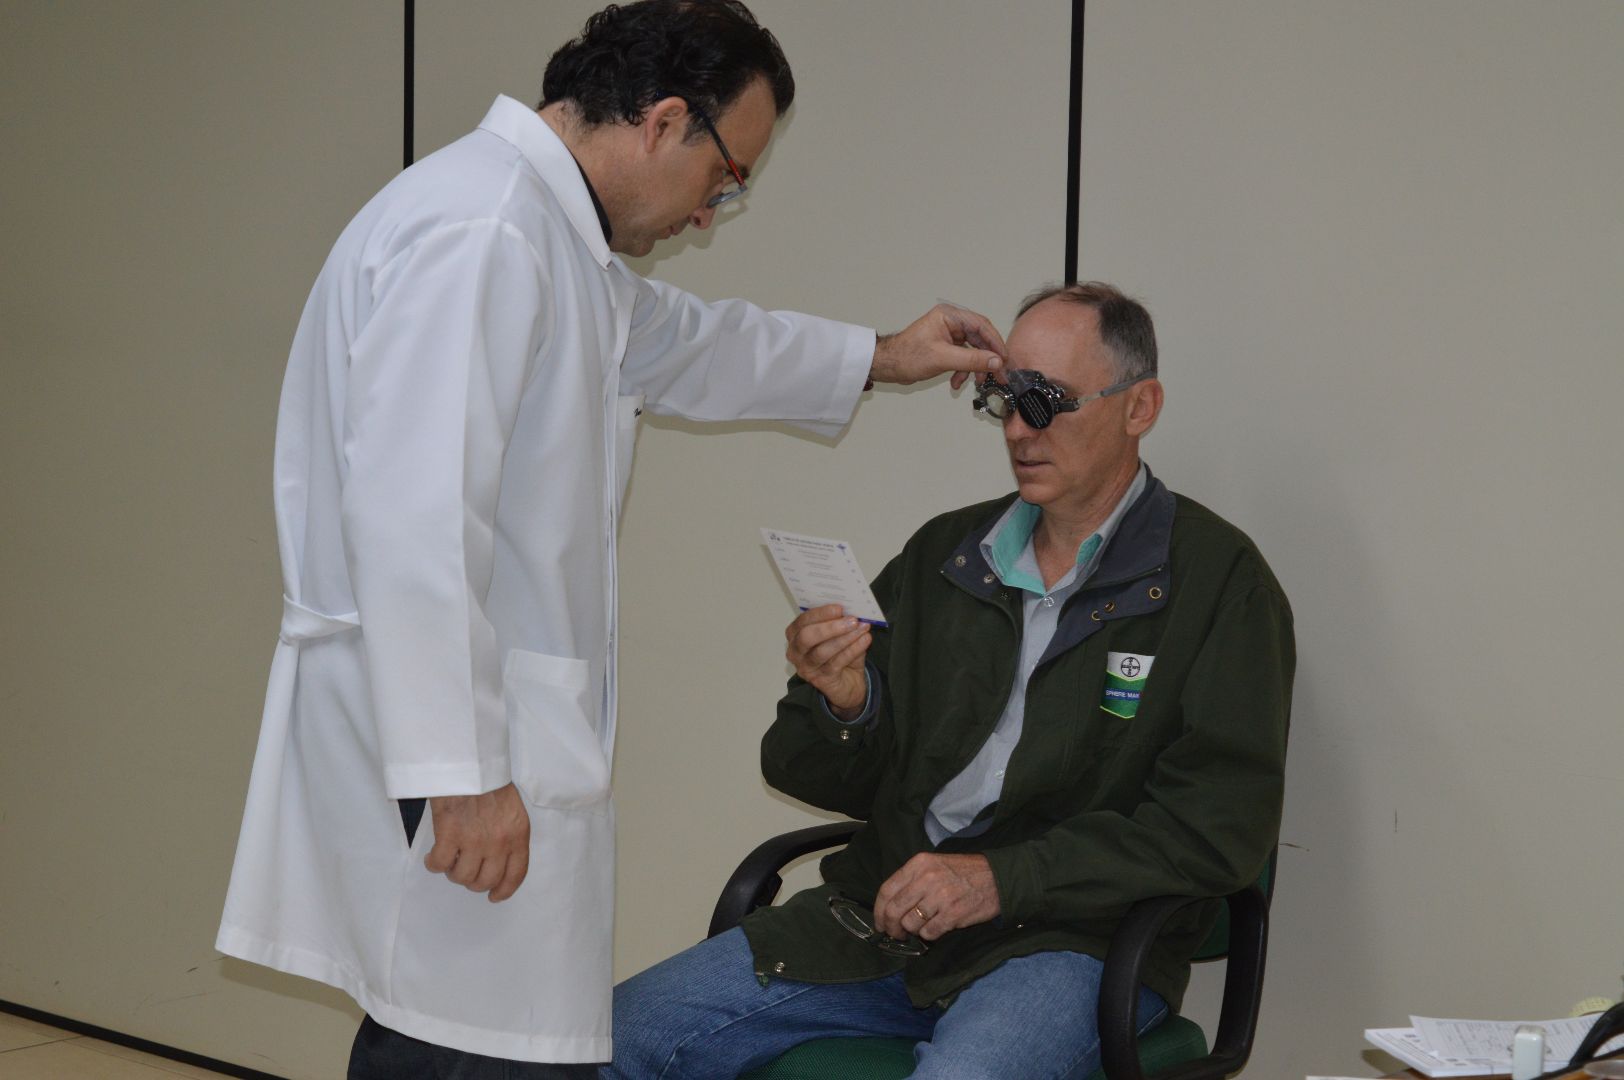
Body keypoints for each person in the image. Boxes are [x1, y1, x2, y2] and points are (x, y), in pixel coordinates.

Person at [213, 2, 1007, 1077]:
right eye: (725, 176)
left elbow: (693, 345)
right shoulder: (485, 231)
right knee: (469, 1046)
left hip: (482, 726)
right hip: (452, 742)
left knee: (455, 1036)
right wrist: (464, 774)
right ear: (663, 121)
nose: (712, 212)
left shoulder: (552, 242)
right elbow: (415, 521)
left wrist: (885, 355)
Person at [605, 282, 1294, 1080]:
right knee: (612, 1039)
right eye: (1005, 400)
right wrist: (846, 705)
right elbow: (800, 769)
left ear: (1140, 407)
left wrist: (1001, 880)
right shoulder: (948, 556)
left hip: (1074, 940)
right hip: (882, 919)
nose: (1019, 430)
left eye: (1046, 401)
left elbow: (1215, 832)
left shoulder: (1219, 584)